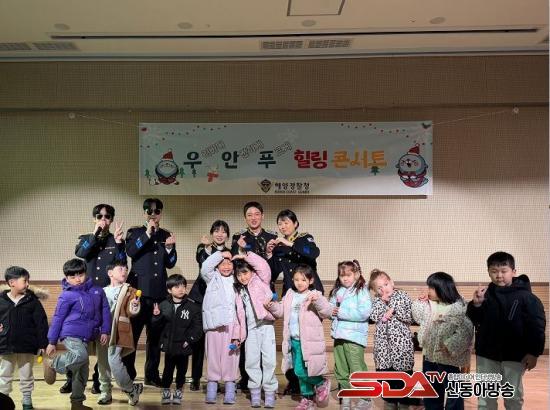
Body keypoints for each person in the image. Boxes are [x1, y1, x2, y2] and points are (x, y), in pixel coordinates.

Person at [466, 251, 546, 410]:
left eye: (504, 271)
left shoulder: (527, 297)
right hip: (486, 355)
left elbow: (537, 327)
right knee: (485, 398)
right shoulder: (485, 295)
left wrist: (534, 353)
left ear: (513, 272)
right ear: (488, 272)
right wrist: (476, 305)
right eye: (494, 271)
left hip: (515, 356)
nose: (499, 276)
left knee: (513, 397)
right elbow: (475, 320)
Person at [266, 209, 324, 395]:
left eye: (286, 222)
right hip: (291, 295)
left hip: (310, 295)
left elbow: (313, 253)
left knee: (308, 341)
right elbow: (273, 272)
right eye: (280, 223)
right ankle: (295, 382)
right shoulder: (278, 246)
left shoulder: (305, 239)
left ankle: (314, 379)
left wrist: (289, 243)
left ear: (295, 224)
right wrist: (270, 254)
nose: (283, 226)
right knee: (291, 341)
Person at [72, 203, 126, 395]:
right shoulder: (86, 238)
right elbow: (80, 254)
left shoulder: (115, 239)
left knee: (103, 343)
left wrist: (119, 244)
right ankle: (72, 379)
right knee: (81, 340)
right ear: (94, 219)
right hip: (86, 296)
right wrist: (94, 234)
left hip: (105, 297)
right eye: (100, 216)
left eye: (107, 217)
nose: (103, 219)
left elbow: (122, 264)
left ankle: (98, 381)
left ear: (111, 220)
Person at [43, 258, 111, 409]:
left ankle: (77, 403)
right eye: (72, 276)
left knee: (82, 371)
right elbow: (58, 317)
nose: (77, 279)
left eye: (80, 275)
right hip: (71, 333)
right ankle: (53, 364)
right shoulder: (66, 295)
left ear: (85, 273)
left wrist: (105, 331)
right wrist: (52, 341)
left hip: (88, 336)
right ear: (66, 278)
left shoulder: (98, 291)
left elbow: (105, 311)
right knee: (81, 356)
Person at [124, 198, 177, 386]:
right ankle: (128, 374)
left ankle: (152, 375)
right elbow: (131, 252)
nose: (153, 214)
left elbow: (171, 263)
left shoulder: (166, 234)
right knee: (132, 336)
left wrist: (169, 248)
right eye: (149, 211)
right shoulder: (135, 232)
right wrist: (147, 233)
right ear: (144, 212)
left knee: (155, 338)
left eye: (157, 211)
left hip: (158, 294)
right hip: (137, 293)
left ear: (161, 213)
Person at [265, 265, 332, 410]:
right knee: (299, 371)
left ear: (311, 280)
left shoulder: (315, 295)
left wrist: (317, 301)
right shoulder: (290, 295)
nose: (299, 283)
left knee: (303, 371)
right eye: (296, 279)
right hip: (293, 341)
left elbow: (327, 312)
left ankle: (321, 383)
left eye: (303, 279)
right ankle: (307, 399)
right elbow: (280, 311)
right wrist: (272, 306)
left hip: (308, 342)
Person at [412, 272, 474, 410]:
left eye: (431, 288)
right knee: (431, 389)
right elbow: (417, 317)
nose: (428, 290)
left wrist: (450, 346)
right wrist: (419, 302)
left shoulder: (459, 307)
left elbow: (466, 331)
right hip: (429, 356)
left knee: (454, 391)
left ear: (441, 289)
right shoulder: (429, 305)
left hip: (449, 358)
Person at [231, 202, 277, 391]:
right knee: (247, 336)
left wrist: (268, 253)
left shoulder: (271, 237)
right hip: (244, 291)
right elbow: (236, 264)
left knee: (267, 346)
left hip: (264, 292)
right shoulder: (238, 237)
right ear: (245, 218)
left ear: (262, 215)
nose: (253, 218)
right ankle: (247, 380)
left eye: (257, 214)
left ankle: (268, 383)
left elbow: (273, 268)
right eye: (249, 215)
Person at [369, 269, 421, 410]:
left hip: (401, 347)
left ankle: (404, 404)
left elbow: (410, 317)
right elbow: (373, 316)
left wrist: (394, 309)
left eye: (385, 285)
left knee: (403, 378)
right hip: (383, 349)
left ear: (392, 283)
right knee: (386, 378)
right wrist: (382, 302)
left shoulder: (403, 296)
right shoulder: (377, 300)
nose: (384, 289)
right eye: (379, 288)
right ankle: (389, 403)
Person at [188, 220, 231, 391]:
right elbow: (203, 265)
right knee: (198, 340)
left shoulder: (230, 252)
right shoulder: (203, 248)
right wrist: (207, 249)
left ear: (227, 235)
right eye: (216, 231)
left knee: (220, 343)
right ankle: (195, 377)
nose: (220, 234)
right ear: (212, 233)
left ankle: (219, 379)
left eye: (223, 231)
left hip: (220, 302)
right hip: (200, 299)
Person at [95, 260, 143, 406]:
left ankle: (130, 389)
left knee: (114, 361)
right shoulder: (101, 291)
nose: (125, 271)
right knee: (102, 363)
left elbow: (132, 310)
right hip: (102, 332)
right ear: (110, 273)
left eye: (126, 269)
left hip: (118, 332)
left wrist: (134, 306)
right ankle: (105, 392)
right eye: (121, 269)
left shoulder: (130, 290)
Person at [201, 250, 246, 405]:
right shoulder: (212, 277)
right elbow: (205, 267)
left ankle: (230, 387)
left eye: (229, 263)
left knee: (231, 356)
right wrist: (221, 254)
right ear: (217, 266)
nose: (226, 266)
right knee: (213, 355)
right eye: (222, 263)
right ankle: (212, 386)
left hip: (232, 325)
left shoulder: (237, 279)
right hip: (214, 324)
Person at [233, 251, 278, 408]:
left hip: (266, 326)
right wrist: (238, 335)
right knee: (251, 361)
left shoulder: (261, 280)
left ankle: (270, 393)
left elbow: (263, 266)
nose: (242, 277)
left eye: (245, 273)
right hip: (251, 330)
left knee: (269, 361)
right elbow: (239, 315)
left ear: (252, 271)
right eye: (239, 275)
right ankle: (255, 393)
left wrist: (246, 256)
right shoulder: (239, 291)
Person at [0, 266, 49, 410]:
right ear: (12, 283)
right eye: (25, 281)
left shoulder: (33, 301)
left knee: (26, 374)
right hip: (5, 345)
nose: (28, 284)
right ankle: (3, 400)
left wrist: (43, 344)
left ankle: (27, 400)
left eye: (28, 281)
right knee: (4, 374)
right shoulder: (1, 300)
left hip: (27, 346)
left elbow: (41, 323)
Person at [328, 260, 372, 410]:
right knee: (341, 369)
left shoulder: (362, 291)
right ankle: (345, 396)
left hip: (354, 337)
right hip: (338, 336)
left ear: (356, 274)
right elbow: (330, 309)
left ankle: (365, 399)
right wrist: (330, 311)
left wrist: (340, 312)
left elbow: (364, 313)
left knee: (357, 368)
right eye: (342, 275)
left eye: (348, 275)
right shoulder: (337, 291)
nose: (345, 278)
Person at [153, 274, 203, 405]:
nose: (181, 289)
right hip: (169, 346)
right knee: (167, 371)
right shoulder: (163, 305)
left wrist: (189, 340)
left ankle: (179, 391)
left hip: (184, 346)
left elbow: (197, 327)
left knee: (182, 371)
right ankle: (166, 391)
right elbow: (156, 327)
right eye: (177, 286)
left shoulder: (193, 307)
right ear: (169, 290)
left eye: (183, 286)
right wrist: (156, 316)